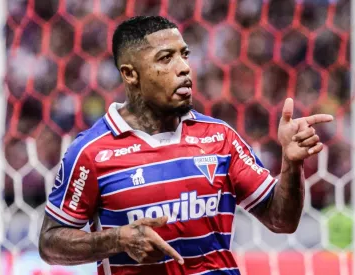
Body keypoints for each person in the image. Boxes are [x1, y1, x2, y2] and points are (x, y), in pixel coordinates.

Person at [38, 15, 334, 275]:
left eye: (185, 55)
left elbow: (281, 220)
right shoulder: (92, 151)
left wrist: (291, 164)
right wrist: (117, 240)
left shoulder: (219, 137)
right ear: (130, 74)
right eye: (166, 58)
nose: (184, 69)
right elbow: (50, 243)